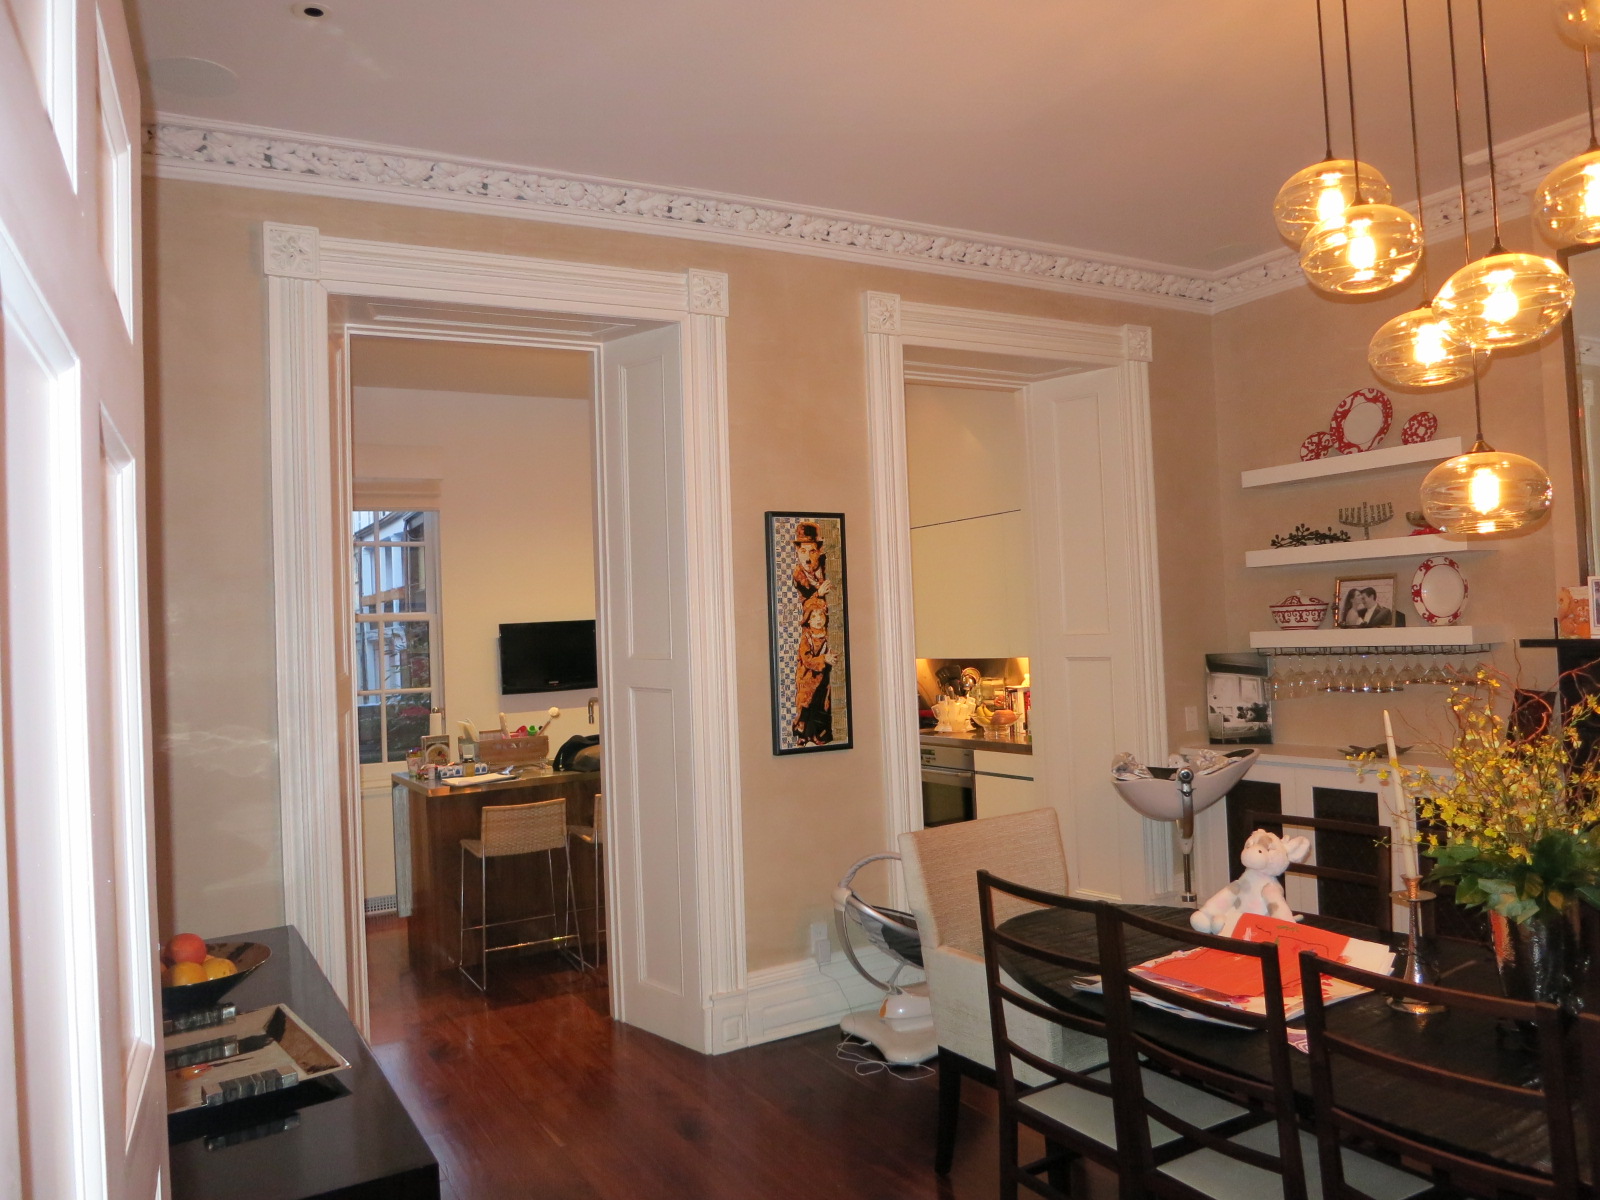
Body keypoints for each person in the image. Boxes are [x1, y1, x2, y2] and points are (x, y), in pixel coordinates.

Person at [792, 594, 836, 745]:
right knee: (806, 708)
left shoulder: (828, 636)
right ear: (808, 620)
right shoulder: (807, 638)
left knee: (820, 706)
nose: (818, 619)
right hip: (807, 679)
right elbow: (807, 660)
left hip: (822, 680)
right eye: (814, 616)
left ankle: (816, 735)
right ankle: (803, 735)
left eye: (821, 615)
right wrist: (824, 659)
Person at [791, 521, 831, 602]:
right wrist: (819, 595)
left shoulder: (828, 563)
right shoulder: (798, 577)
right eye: (803, 551)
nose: (807, 559)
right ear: (797, 551)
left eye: (812, 552)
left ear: (820, 551)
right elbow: (805, 605)